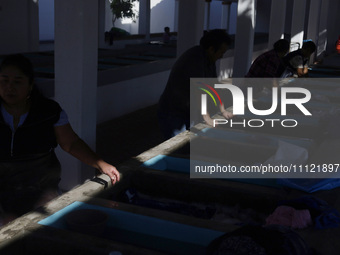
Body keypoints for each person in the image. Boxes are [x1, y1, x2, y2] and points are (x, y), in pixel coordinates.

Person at [0, 54, 120, 224]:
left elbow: (70, 143)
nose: (9, 87)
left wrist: (100, 163)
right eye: (4, 80)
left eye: (17, 81)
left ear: (30, 85)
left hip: (41, 187)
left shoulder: (49, 112)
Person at [158, 29, 233, 140]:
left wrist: (223, 110)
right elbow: (199, 91)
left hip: (188, 109)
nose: (221, 56)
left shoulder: (210, 60)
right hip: (174, 111)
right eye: (221, 52)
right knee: (178, 146)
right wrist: (207, 118)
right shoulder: (194, 59)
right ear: (211, 49)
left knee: (191, 143)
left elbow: (214, 87)